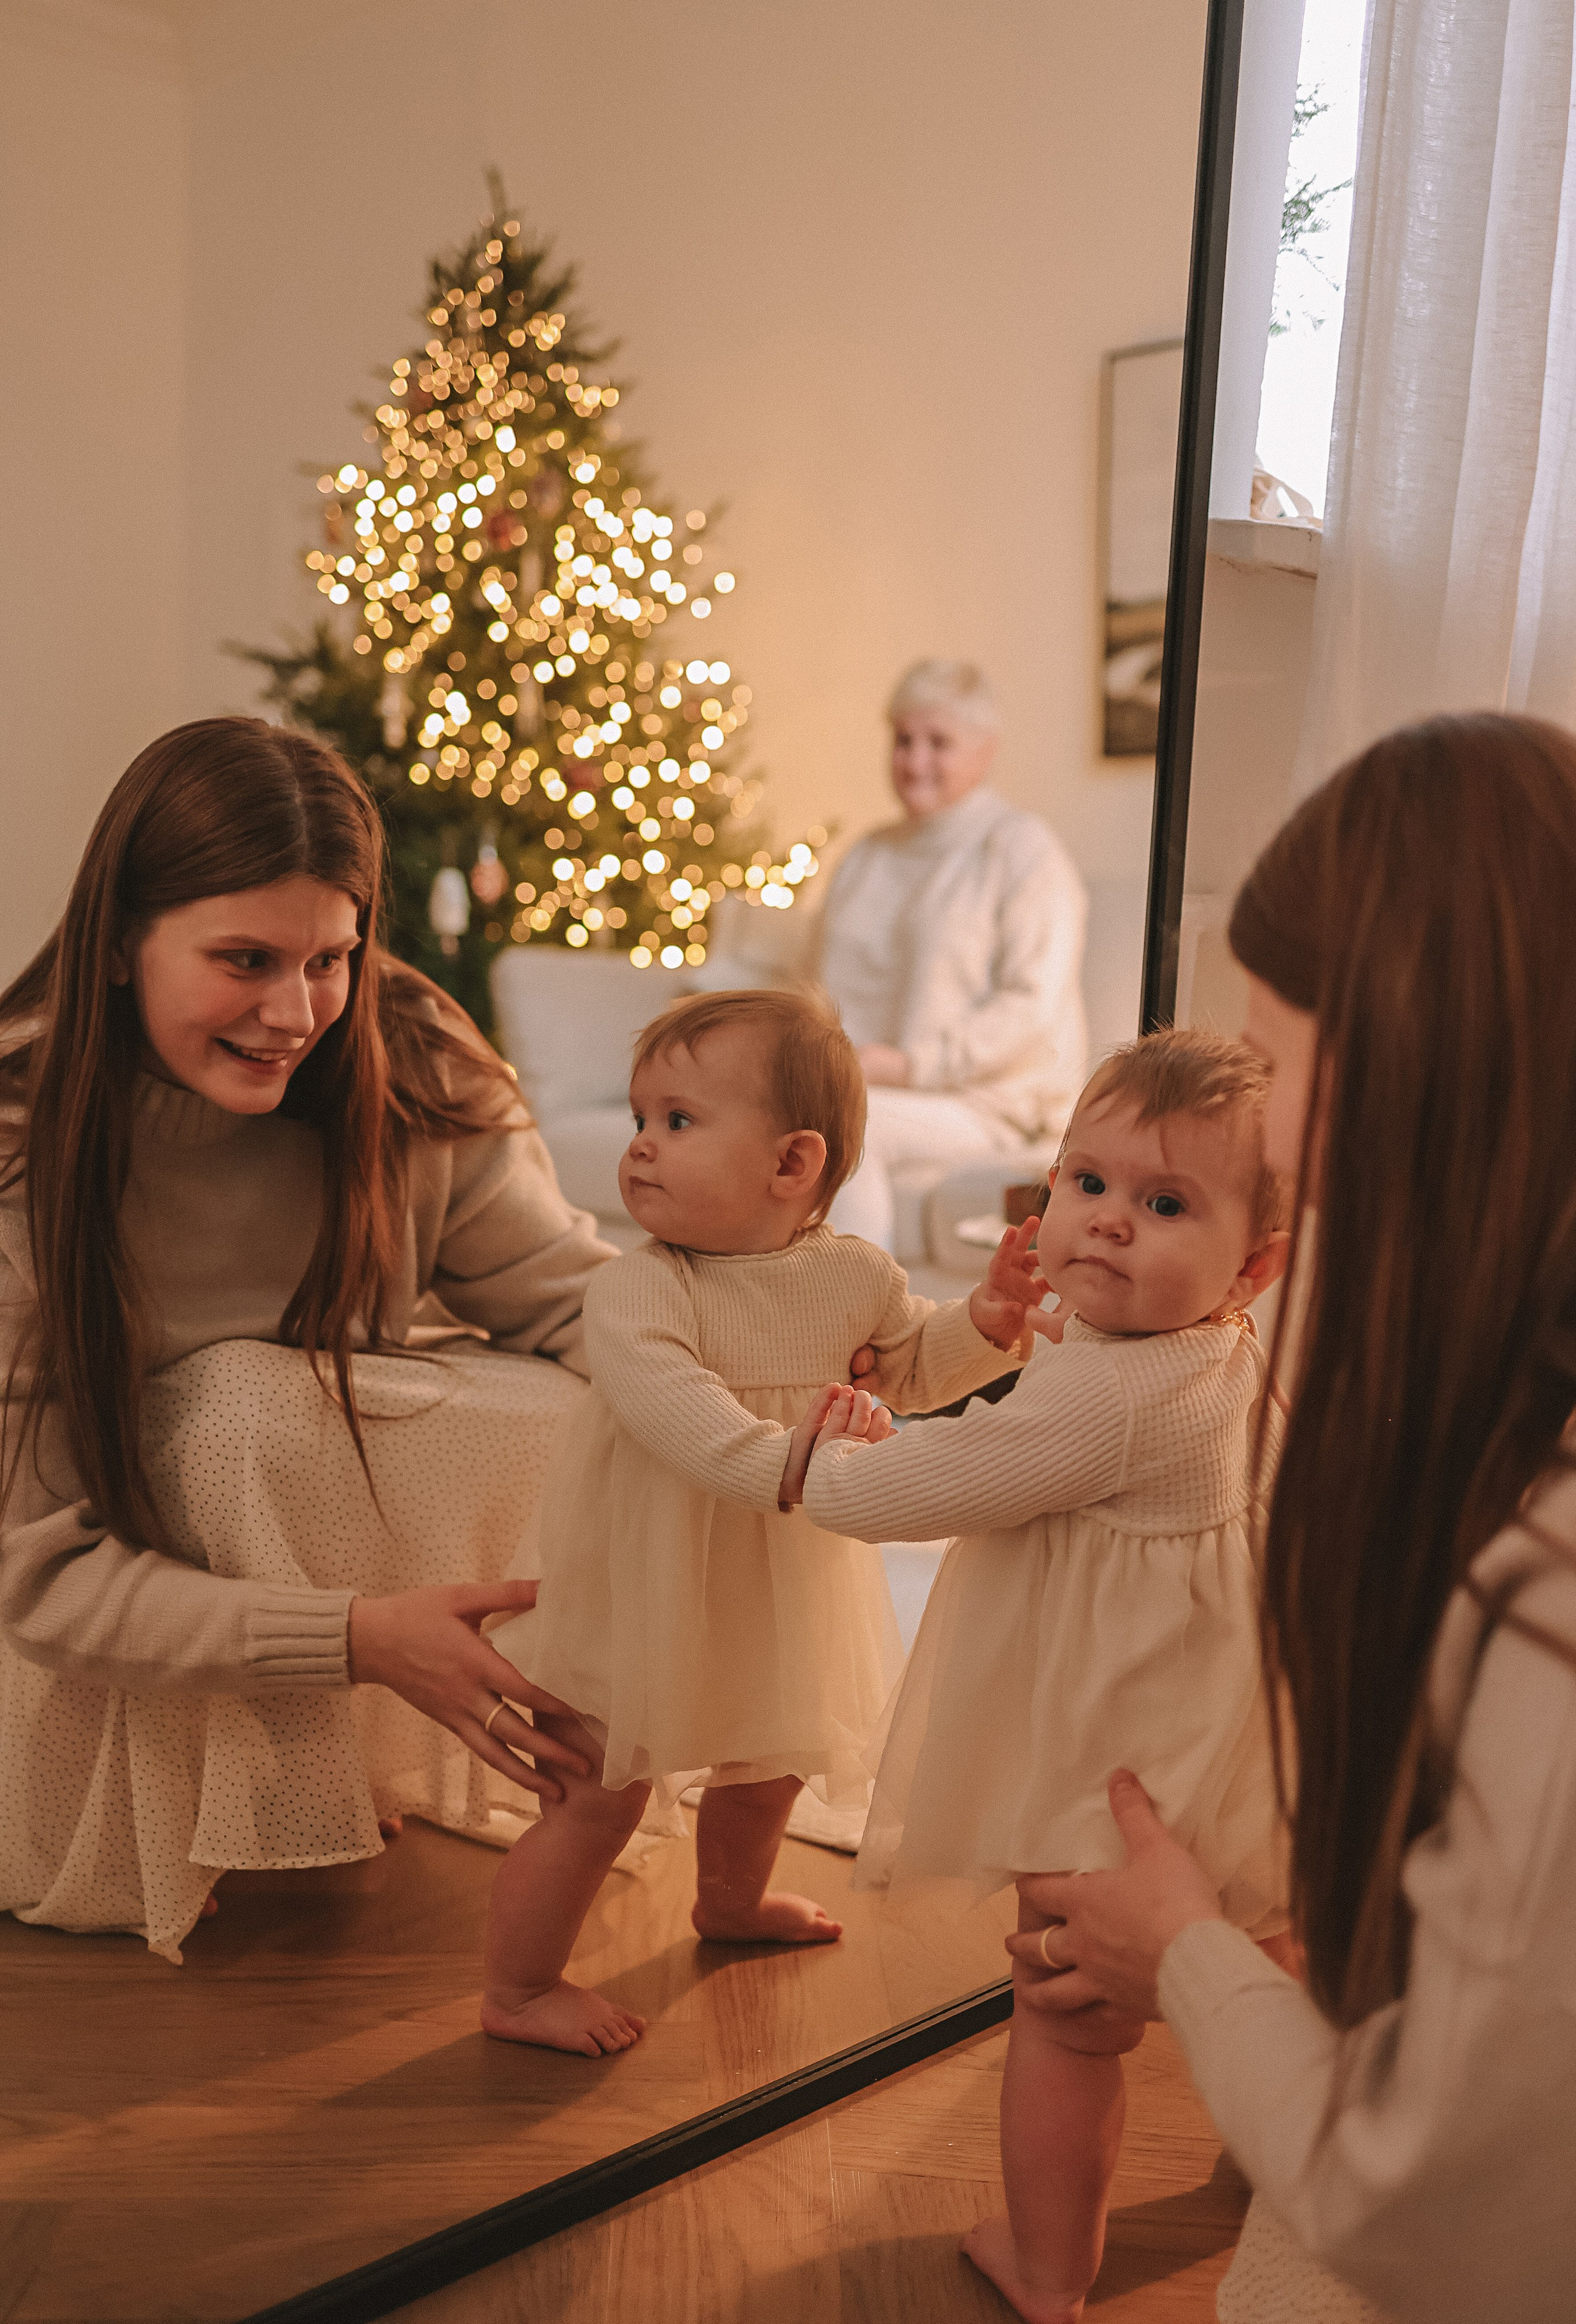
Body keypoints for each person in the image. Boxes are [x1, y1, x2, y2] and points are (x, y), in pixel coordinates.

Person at [1011, 714, 1576, 2324]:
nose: (1271, 1155)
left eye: (1284, 1077)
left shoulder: (1548, 1610)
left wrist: (1184, 1952)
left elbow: (1415, 2205)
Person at [0, 718, 614, 1963]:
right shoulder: (21, 1151)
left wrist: (778, 1394)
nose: (297, 1013)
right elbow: (36, 1573)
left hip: (307, 1574)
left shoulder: (411, 1060)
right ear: (119, 944)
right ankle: (187, 1792)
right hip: (72, 1622)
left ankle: (349, 1771)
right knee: (235, 1403)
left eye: (331, 958)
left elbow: (574, 1304)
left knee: (597, 1403)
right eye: (244, 959)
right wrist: (355, 1641)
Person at [795, 1029, 1293, 2322]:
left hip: (1105, 1742)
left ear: (1253, 1263)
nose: (1107, 1225)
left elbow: (929, 1484)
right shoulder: (1217, 1347)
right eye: (1086, 1182)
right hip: (1223, 1718)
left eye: (1162, 1203)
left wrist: (823, 1463)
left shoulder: (1106, 1401)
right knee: (1267, 1939)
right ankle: (1290, 2152)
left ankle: (1046, 2269)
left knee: (1067, 2004)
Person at [483, 989, 1042, 2054]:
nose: (641, 1148)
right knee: (599, 1786)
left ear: (793, 1165)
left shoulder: (856, 1274)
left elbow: (910, 1366)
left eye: (677, 1122)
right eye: (641, 1119)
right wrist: (803, 1461)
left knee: (773, 1753)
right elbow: (683, 1421)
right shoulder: (639, 1290)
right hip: (645, 1577)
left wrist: (988, 1323)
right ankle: (517, 1987)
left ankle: (731, 1904)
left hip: (778, 1572)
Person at [814, 660, 1088, 1252]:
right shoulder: (867, 855)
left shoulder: (1021, 849)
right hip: (860, 1084)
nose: (915, 762)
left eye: (939, 743)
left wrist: (907, 1067)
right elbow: (816, 988)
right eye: (904, 740)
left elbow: (1030, 1006)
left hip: (987, 1102)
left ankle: (863, 1322)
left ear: (986, 752)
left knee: (846, 1128)